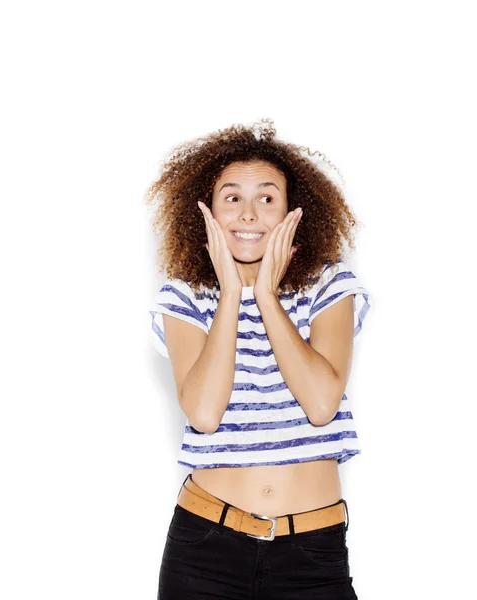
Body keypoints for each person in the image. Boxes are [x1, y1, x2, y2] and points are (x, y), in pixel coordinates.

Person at [145, 118, 372, 599]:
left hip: (313, 554)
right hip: (204, 548)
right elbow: (204, 414)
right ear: (205, 212)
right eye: (232, 198)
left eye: (267, 199)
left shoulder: (329, 287)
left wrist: (266, 295)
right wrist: (232, 294)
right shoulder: (186, 298)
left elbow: (320, 403)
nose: (249, 214)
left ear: (294, 212)